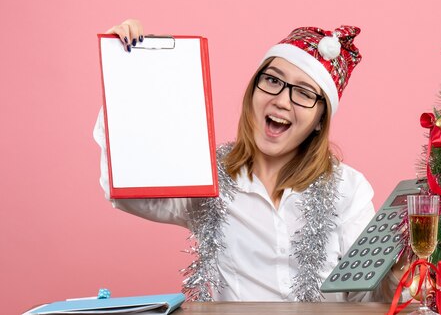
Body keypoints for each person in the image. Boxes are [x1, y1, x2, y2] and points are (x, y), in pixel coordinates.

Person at [94, 19, 402, 302]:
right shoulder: (206, 174)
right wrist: (126, 75)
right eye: (272, 80)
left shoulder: (349, 187)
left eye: (304, 93)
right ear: (253, 90)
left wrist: (395, 281)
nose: (281, 100)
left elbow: (363, 294)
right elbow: (127, 191)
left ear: (320, 119)